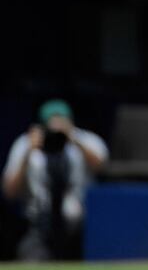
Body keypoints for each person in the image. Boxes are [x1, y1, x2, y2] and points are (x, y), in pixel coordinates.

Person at [2, 99, 108, 261]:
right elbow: (9, 192)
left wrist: (72, 138)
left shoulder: (83, 140)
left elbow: (102, 166)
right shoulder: (26, 144)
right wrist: (28, 154)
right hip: (38, 228)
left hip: (81, 229)